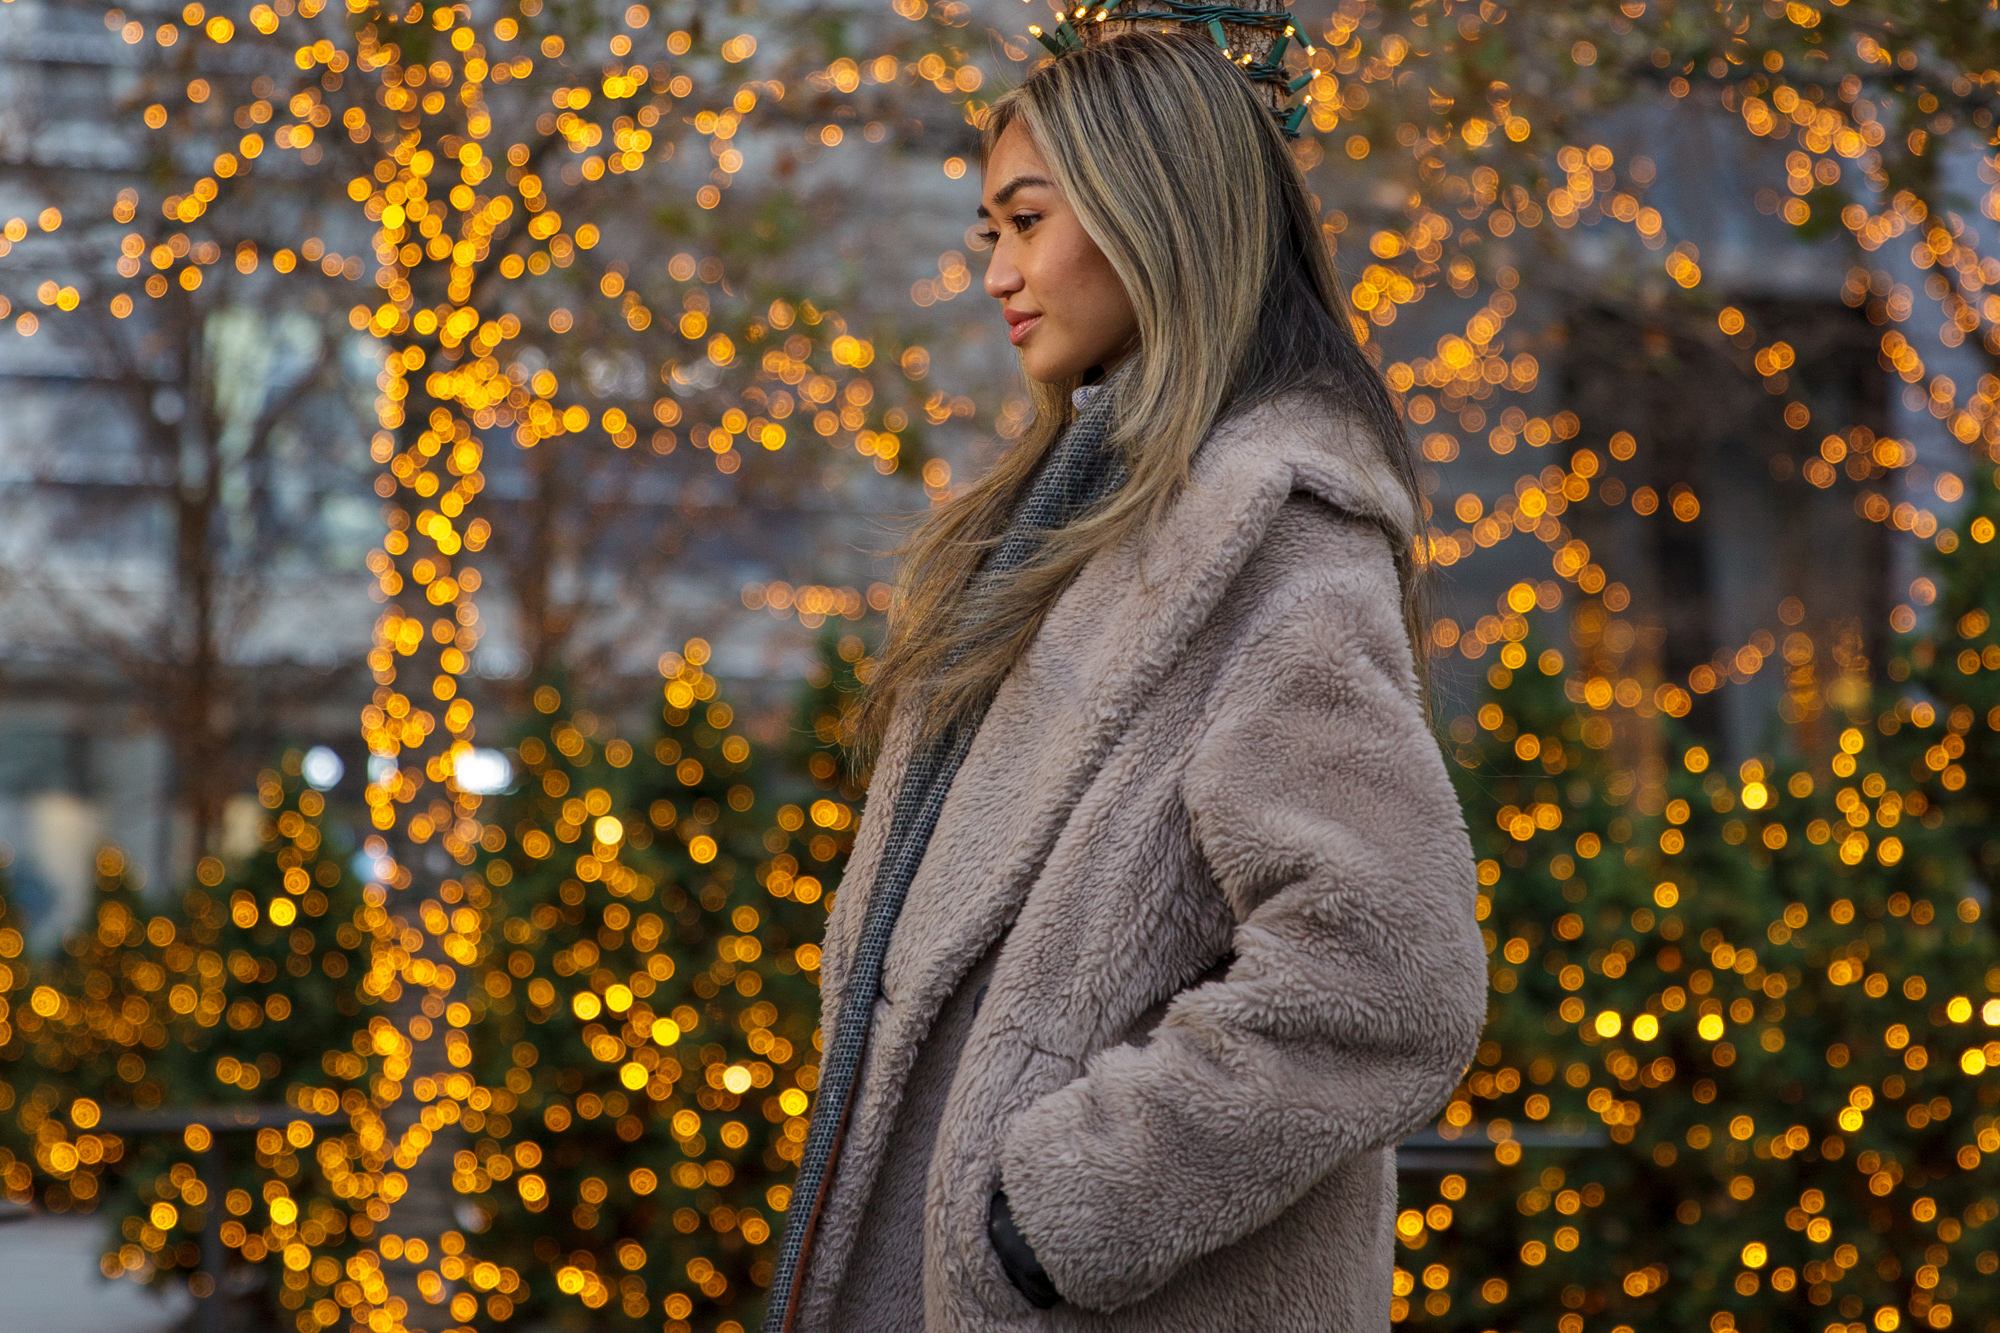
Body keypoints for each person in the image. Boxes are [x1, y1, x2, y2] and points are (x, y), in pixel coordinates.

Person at [762, 26, 1490, 1333]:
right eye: (989, 229)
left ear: (1151, 208)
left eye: (1027, 220)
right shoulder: (1079, 520)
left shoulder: (1275, 535)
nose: (997, 271)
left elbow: (1390, 970)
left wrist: (1066, 1204)